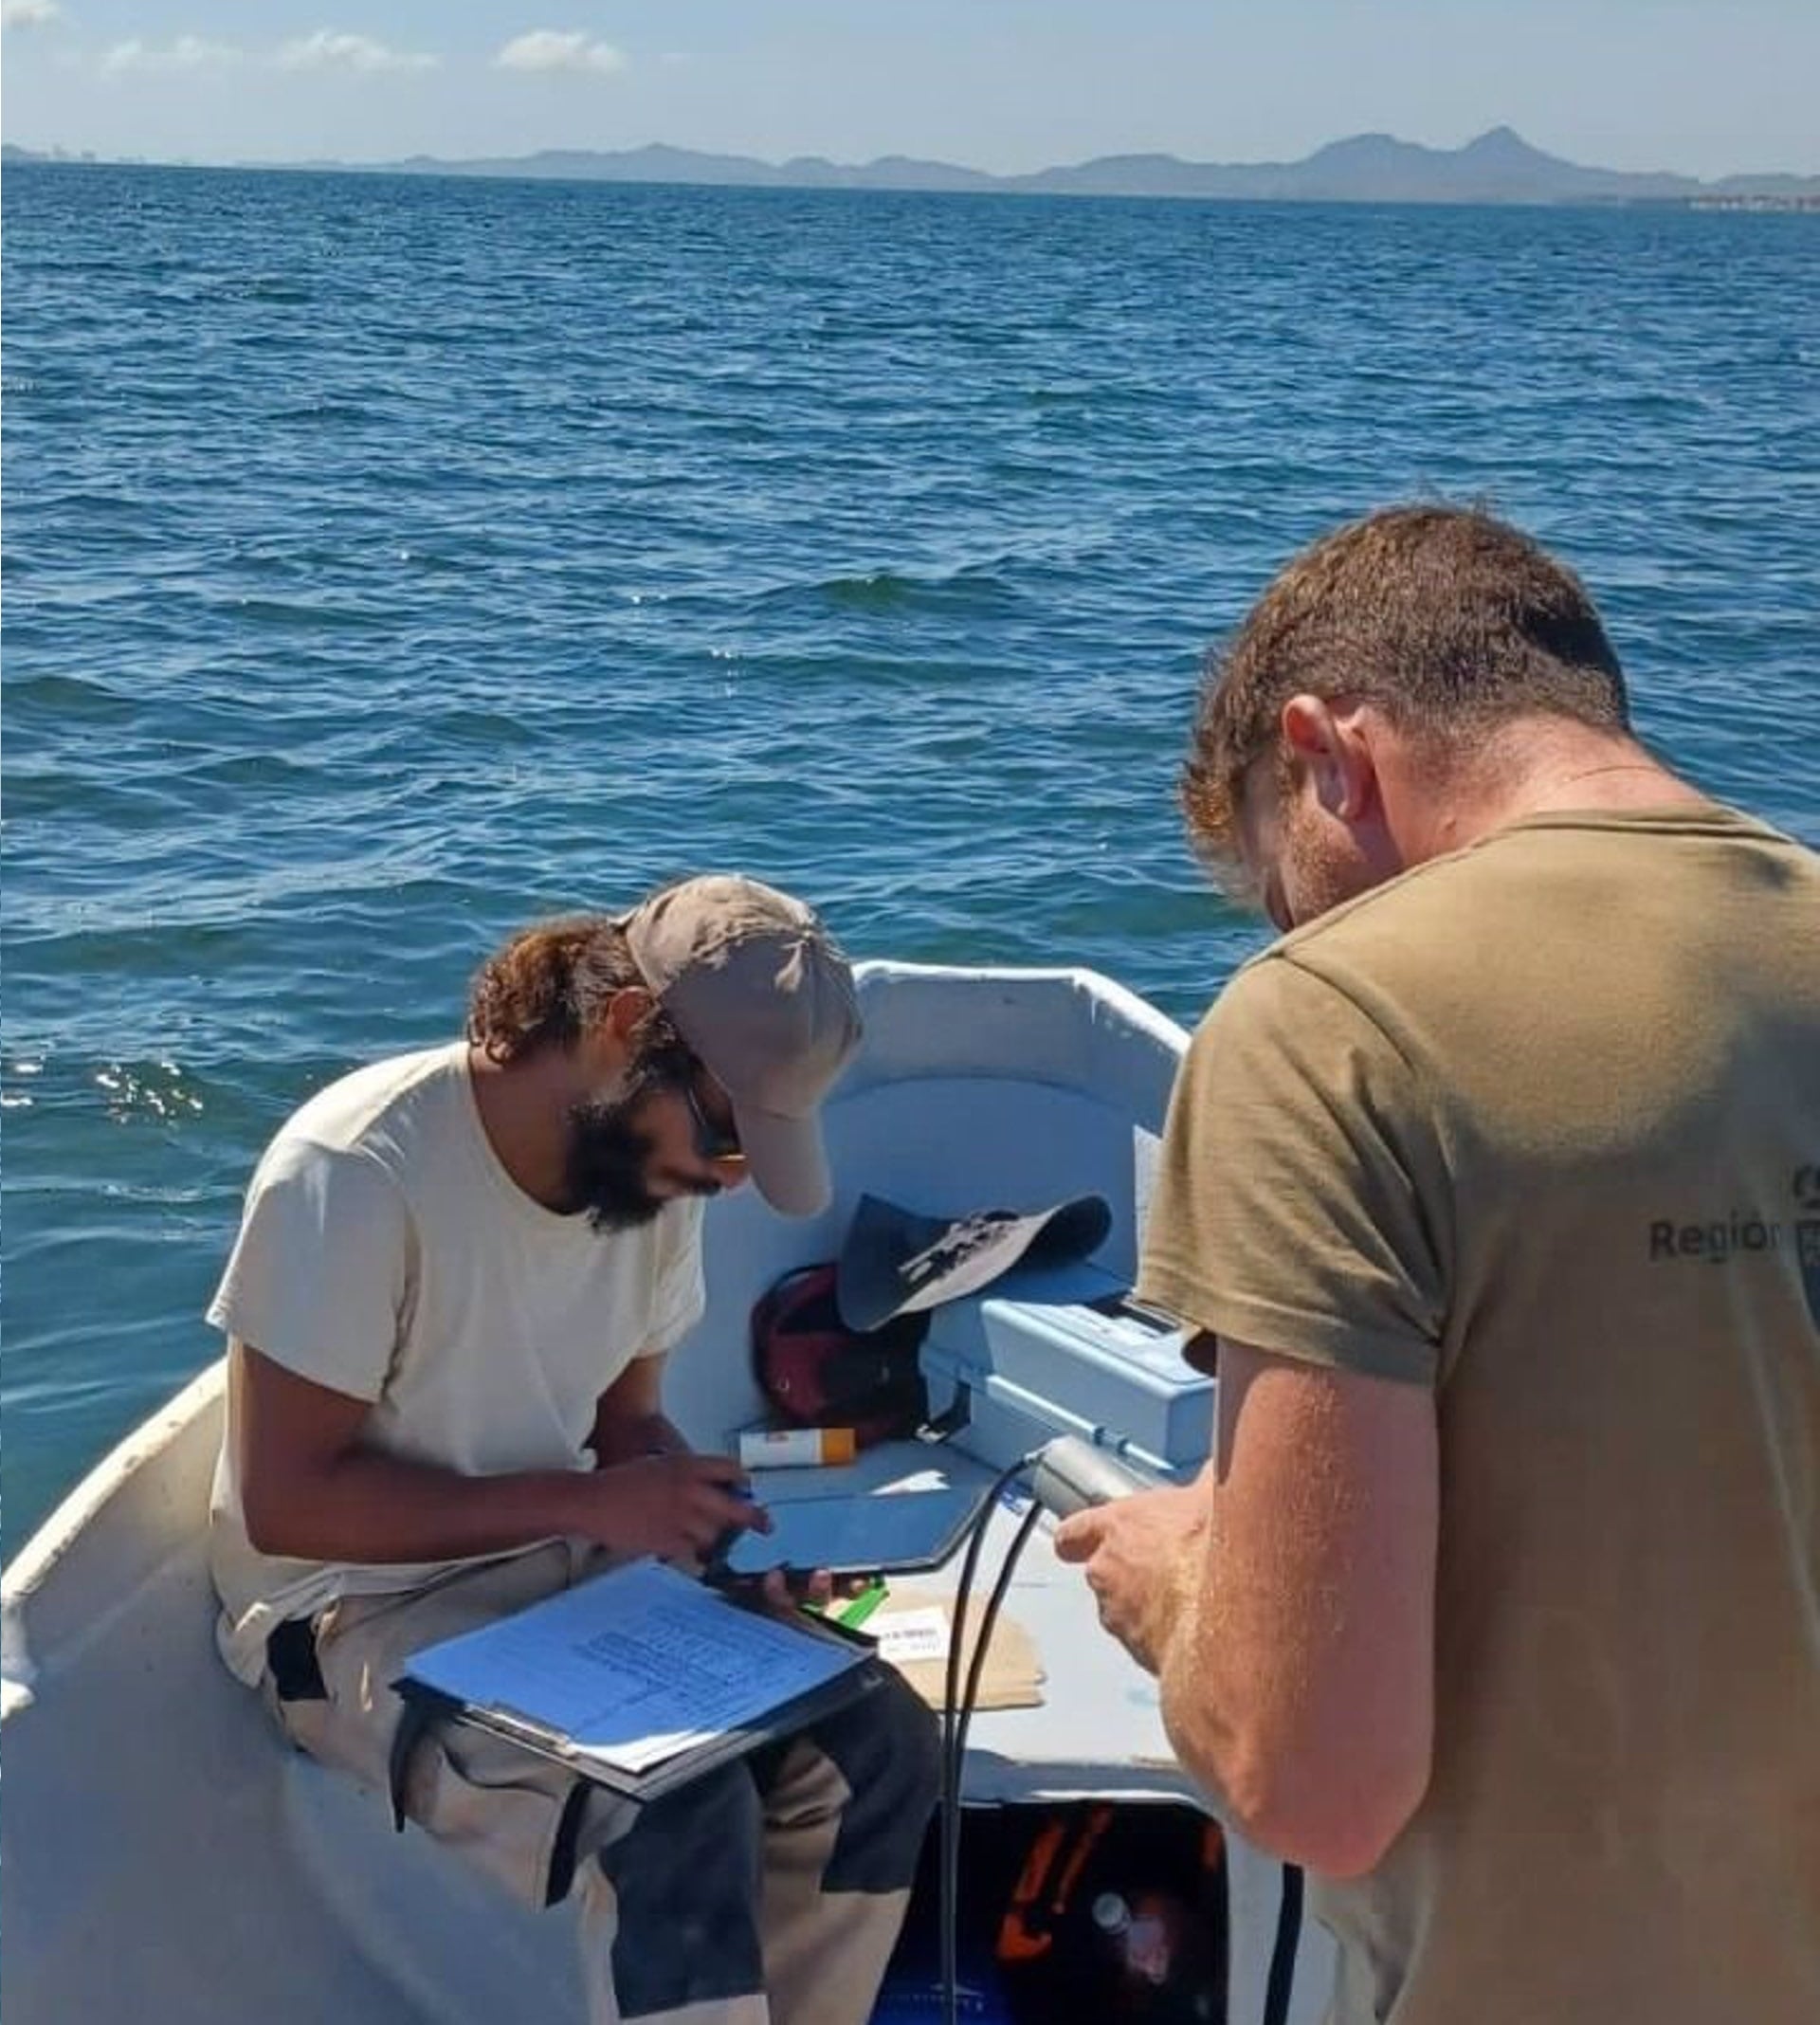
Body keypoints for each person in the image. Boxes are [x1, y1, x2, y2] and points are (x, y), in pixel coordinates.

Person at [1055, 505, 1820, 2023]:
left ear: (1327, 755)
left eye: (1288, 887)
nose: (1296, 933)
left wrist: (1180, 1587)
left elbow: (1312, 1780)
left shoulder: (1328, 1022)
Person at [208, 871, 940, 2025]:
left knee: (883, 1743)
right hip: (353, 1614)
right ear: (622, 1028)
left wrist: (726, 1542)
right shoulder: (355, 1174)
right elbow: (285, 1504)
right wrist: (594, 1507)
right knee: (677, 1809)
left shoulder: (650, 1184)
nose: (722, 1178)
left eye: (751, 1158)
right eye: (722, 1135)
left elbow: (625, 1428)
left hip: (563, 1576)